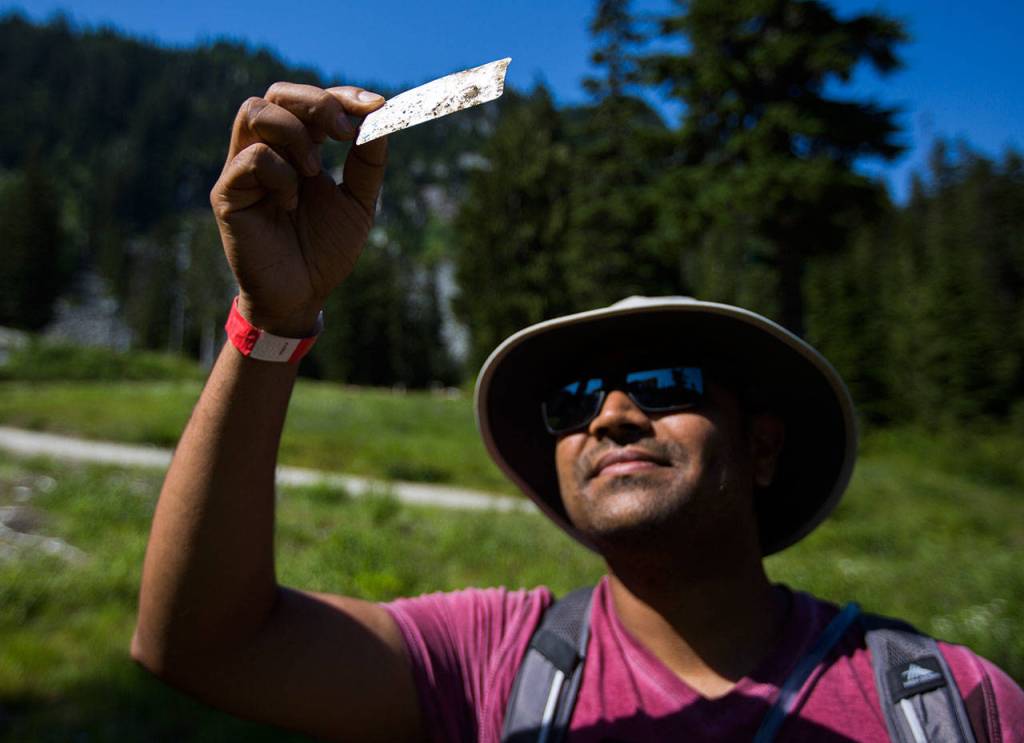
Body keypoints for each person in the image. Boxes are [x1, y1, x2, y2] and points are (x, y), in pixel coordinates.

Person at [131, 80, 1024, 742]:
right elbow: (205, 645)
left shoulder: (947, 703)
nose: (612, 416)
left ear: (762, 446)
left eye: (667, 382)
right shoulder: (491, 663)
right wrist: (274, 324)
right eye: (570, 402)